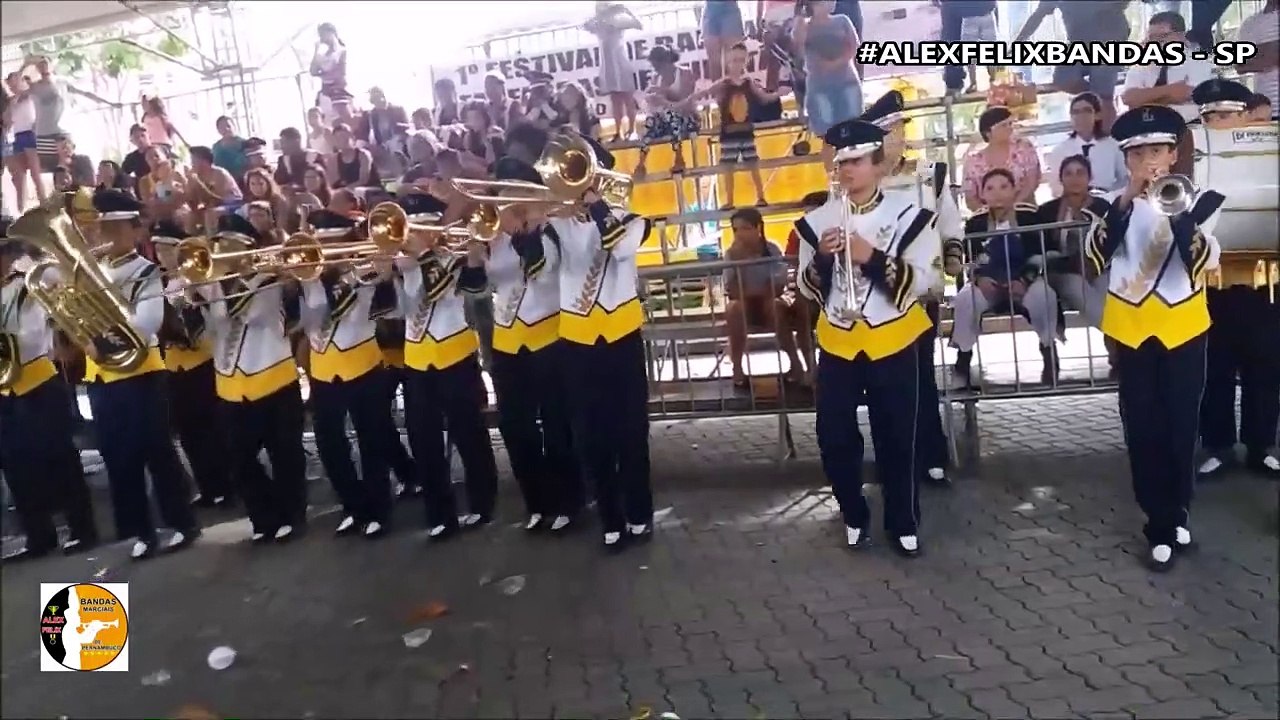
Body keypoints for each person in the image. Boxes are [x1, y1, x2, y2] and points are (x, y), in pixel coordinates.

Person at [794, 119, 940, 556]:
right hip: (838, 337)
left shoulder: (911, 215)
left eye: (856, 161)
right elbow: (806, 286)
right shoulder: (815, 221)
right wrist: (821, 258)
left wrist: (871, 257)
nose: (847, 171)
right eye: (840, 163)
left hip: (893, 337)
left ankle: (903, 520)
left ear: (877, 164)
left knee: (898, 435)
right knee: (834, 437)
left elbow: (928, 280)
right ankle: (853, 513)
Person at [1086, 104, 1223, 570]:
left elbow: (1204, 261)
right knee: (1142, 427)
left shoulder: (1201, 199)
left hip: (1185, 327)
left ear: (1172, 154)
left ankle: (1178, 509)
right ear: (1127, 159)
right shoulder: (1107, 203)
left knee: (1183, 425)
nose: (1149, 160)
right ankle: (1158, 522)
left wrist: (1179, 213)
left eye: (1158, 150)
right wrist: (1126, 200)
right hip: (1133, 329)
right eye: (1139, 152)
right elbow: (1092, 260)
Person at [547, 136, 653, 552]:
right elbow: (541, 268)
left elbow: (619, 248)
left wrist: (595, 207)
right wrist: (525, 233)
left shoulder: (632, 219)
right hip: (576, 340)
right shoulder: (555, 225)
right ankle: (610, 517)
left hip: (622, 337)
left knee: (630, 431)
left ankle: (639, 511)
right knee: (591, 435)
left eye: (585, 176)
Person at [82, 189, 200, 559]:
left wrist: (99, 332)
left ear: (135, 231)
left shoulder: (145, 271)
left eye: (117, 228)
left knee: (156, 451)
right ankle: (141, 531)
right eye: (104, 228)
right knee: (117, 456)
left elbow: (147, 324)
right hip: (101, 377)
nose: (107, 236)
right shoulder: (89, 269)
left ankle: (182, 523)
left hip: (141, 371)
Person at [184, 213, 309, 544]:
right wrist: (195, 295)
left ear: (247, 249)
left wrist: (231, 282)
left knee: (286, 455)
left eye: (229, 246)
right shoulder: (210, 283)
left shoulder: (267, 280)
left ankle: (291, 515)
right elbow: (208, 330)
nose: (221, 251)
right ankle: (263, 516)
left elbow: (251, 315)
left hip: (273, 377)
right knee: (238, 458)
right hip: (230, 384)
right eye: (219, 244)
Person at [861, 89, 957, 486]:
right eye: (890, 131)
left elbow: (949, 222)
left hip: (918, 288)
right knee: (882, 379)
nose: (898, 138)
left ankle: (930, 453)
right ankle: (893, 458)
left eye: (900, 130)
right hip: (878, 291)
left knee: (919, 373)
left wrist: (951, 254)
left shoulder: (928, 175)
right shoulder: (861, 181)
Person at [483, 160, 582, 532]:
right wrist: (482, 250)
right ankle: (536, 501)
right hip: (507, 338)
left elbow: (542, 270)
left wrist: (524, 233)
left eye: (512, 193)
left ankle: (569, 501)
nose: (505, 202)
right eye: (501, 194)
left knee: (557, 425)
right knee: (514, 426)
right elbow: (484, 284)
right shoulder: (495, 232)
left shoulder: (551, 228)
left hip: (548, 334)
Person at [1188, 80, 1280, 480]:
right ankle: (1219, 446)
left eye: (1224, 114)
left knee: (1265, 364)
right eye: (1209, 116)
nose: (1216, 122)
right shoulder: (1196, 155)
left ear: (1244, 116)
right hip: (1212, 278)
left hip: (1266, 275)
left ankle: (1261, 445)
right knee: (1216, 366)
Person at [395, 196, 498, 541]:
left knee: (469, 435)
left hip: (455, 356)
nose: (406, 238)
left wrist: (422, 257)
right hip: (417, 359)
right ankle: (439, 514)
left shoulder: (449, 259)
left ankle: (483, 503)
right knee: (423, 441)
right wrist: (385, 275)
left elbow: (441, 290)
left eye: (414, 230)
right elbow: (395, 310)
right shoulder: (402, 264)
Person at [298, 209, 399, 537]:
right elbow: (308, 320)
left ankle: (378, 509)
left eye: (331, 244)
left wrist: (374, 274)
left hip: (362, 364)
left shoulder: (364, 271)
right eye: (320, 244)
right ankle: (352, 505)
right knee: (330, 444)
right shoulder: (307, 275)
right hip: (324, 371)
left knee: (372, 440)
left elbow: (376, 306)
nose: (324, 254)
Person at [0, 222, 98, 559]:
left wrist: (32, 259)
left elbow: (30, 332)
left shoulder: (25, 284)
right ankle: (37, 536)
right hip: (5, 389)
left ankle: (83, 529)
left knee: (59, 459)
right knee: (16, 467)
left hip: (38, 379)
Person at [950, 169, 1061, 385]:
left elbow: (1042, 255)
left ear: (1014, 190)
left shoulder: (1030, 218)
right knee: (966, 299)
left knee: (1044, 295)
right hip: (988, 283)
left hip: (1024, 281)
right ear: (982, 194)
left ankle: (1049, 351)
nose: (997, 194)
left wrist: (1025, 281)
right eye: (990, 188)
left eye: (1003, 187)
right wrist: (980, 278)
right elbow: (972, 260)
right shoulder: (975, 224)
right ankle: (963, 358)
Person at [150, 222, 234, 508]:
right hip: (175, 364)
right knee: (187, 431)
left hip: (203, 359)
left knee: (212, 428)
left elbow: (215, 316)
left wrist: (193, 294)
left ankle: (225, 483)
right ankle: (207, 485)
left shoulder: (198, 277)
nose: (162, 255)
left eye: (167, 249)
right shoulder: (159, 282)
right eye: (158, 249)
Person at [1120, 11, 1214, 176]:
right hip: (1146, 135)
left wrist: (1146, 98)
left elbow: (1184, 94)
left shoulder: (1198, 60)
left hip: (1184, 134)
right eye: (1151, 38)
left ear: (1180, 36)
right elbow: (1128, 98)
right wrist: (1169, 90)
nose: (1155, 43)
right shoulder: (1142, 63)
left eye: (1161, 37)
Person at [1015, 1, 1130, 132]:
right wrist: (1019, 41)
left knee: (1104, 95)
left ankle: (1109, 138)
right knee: (1062, 80)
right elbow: (1037, 16)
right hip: (1078, 41)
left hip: (1109, 39)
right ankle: (1095, 96)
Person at [688, 42, 776, 208]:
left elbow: (763, 97)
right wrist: (691, 99)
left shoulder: (749, 82)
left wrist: (777, 94)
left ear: (746, 61)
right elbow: (706, 93)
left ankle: (761, 196)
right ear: (728, 61)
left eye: (741, 60)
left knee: (753, 164)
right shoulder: (724, 83)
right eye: (734, 59)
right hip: (728, 132)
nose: (737, 63)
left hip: (746, 131)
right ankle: (729, 200)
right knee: (728, 167)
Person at [722, 208, 800, 386]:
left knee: (775, 307)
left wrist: (759, 294)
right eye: (735, 230)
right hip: (744, 303)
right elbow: (732, 289)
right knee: (734, 309)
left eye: (745, 228)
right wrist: (740, 264)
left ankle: (795, 364)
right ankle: (737, 369)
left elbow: (777, 287)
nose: (740, 234)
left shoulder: (772, 250)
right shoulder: (731, 254)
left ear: (758, 228)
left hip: (768, 301)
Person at [1036, 155, 1112, 337]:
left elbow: (1110, 244)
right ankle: (1120, 338)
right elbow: (1044, 251)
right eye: (1068, 174)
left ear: (1089, 177)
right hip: (1062, 272)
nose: (1075, 179)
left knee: (1108, 291)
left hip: (1097, 267)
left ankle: (1118, 356)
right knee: (1078, 288)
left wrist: (1092, 265)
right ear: (1061, 178)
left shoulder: (1103, 207)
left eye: (1080, 173)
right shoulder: (1047, 211)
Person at [793, 0, 862, 168]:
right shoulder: (804, 26)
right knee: (827, 137)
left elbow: (855, 46)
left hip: (847, 82)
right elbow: (798, 50)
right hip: (820, 88)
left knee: (853, 132)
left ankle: (853, 176)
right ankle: (834, 180)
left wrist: (837, 62)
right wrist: (799, 19)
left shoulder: (842, 20)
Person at [1045, 92, 1128, 197]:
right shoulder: (1061, 150)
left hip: (1106, 201)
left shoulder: (1112, 146)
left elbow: (1124, 179)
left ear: (1098, 115)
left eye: (1086, 111)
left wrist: (1111, 196)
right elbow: (1056, 186)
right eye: (1075, 112)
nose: (1080, 117)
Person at [962, 106, 1042, 211]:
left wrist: (1012, 209)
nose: (1009, 128)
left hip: (1024, 213)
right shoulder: (973, 162)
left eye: (1010, 124)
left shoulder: (1023, 148)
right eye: (1003, 125)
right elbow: (970, 198)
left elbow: (1032, 182)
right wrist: (991, 215)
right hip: (989, 220)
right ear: (988, 132)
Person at [635, 46, 699, 177]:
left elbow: (686, 102)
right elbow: (653, 108)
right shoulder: (655, 78)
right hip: (664, 121)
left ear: (667, 62)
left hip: (687, 119)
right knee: (650, 122)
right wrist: (650, 99)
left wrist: (665, 94)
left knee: (671, 115)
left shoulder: (685, 73)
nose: (657, 70)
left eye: (658, 66)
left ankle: (679, 157)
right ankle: (641, 162)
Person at [585, 2, 641, 142]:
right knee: (615, 99)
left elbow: (638, 25)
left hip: (621, 62)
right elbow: (585, 26)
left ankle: (632, 130)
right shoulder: (598, 25)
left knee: (627, 97)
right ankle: (618, 132)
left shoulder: (619, 21)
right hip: (608, 65)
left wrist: (625, 10)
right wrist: (601, 16)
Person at [3, 72, 46, 211]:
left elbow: (32, 90)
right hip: (17, 137)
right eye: (10, 83)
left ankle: (44, 206)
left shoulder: (28, 94)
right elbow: (7, 121)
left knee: (35, 174)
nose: (12, 85)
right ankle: (21, 211)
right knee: (19, 178)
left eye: (15, 81)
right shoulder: (11, 101)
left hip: (29, 134)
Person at [1237, 0, 1278, 116]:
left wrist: (1262, 53)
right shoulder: (1250, 24)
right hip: (1266, 109)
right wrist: (1269, 54)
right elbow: (1240, 65)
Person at [311, 22, 351, 121]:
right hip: (326, 91)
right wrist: (316, 52)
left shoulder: (342, 51)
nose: (322, 38)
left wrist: (324, 75)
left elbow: (340, 73)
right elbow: (313, 71)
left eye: (323, 34)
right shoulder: (323, 55)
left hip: (339, 91)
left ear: (331, 33)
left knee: (344, 120)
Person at [701, 0, 746, 82]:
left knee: (735, 57)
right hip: (710, 8)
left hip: (730, 8)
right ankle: (717, 93)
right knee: (714, 60)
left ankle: (736, 92)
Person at [212, 115, 248, 182]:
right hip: (225, 183)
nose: (226, 129)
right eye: (222, 127)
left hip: (245, 182)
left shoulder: (245, 144)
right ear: (218, 130)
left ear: (234, 126)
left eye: (228, 126)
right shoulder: (216, 147)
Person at [120, 123, 152, 187]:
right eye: (136, 137)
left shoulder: (161, 150)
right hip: (144, 190)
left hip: (164, 187)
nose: (140, 139)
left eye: (143, 135)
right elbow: (122, 174)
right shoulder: (131, 158)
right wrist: (133, 181)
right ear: (132, 141)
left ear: (149, 136)